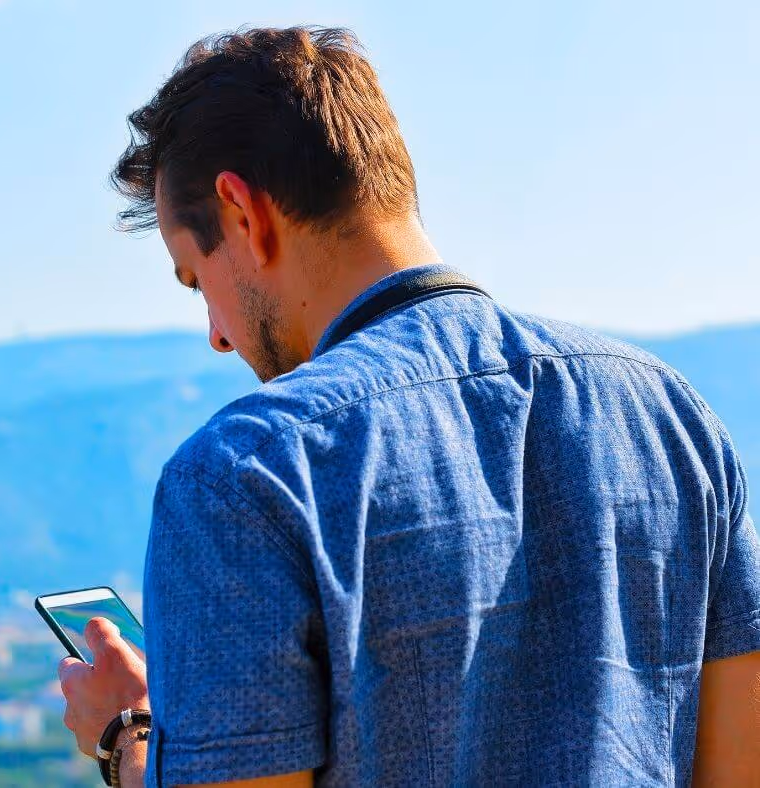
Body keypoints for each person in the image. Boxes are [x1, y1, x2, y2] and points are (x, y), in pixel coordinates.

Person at [58, 25, 760, 787]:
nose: (218, 337)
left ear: (242, 213)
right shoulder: (671, 418)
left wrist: (129, 739)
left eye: (197, 281)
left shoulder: (244, 474)